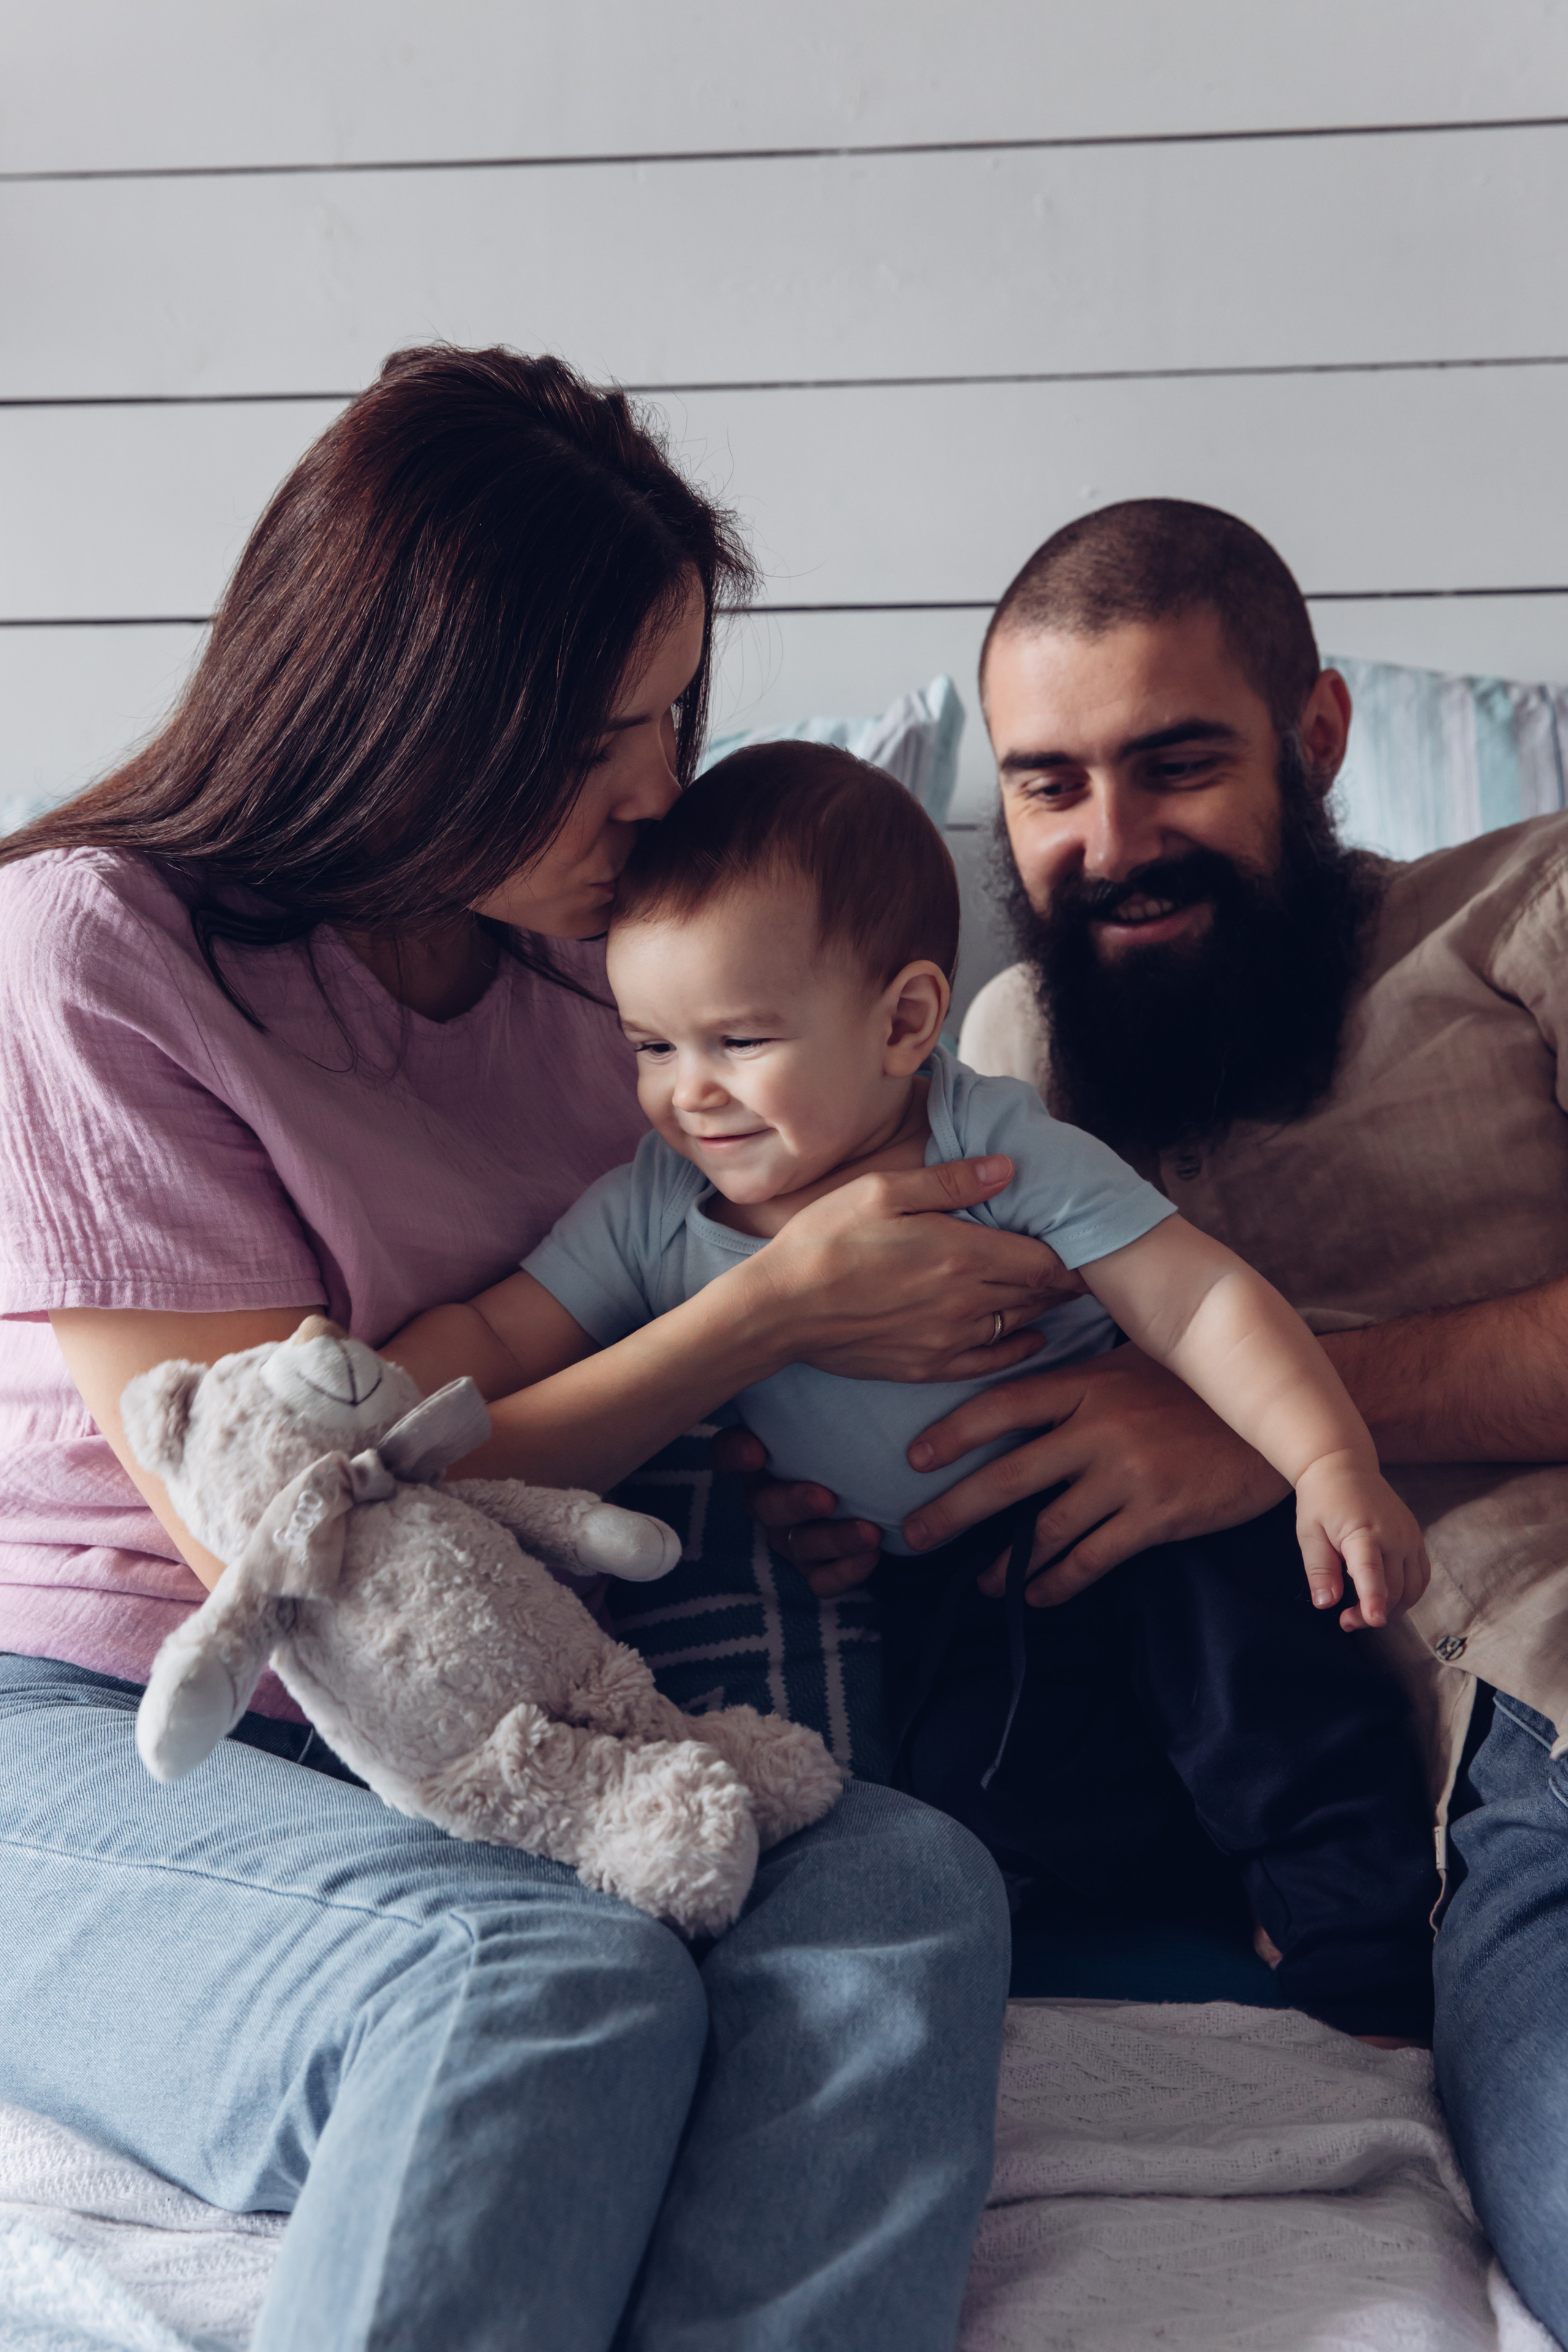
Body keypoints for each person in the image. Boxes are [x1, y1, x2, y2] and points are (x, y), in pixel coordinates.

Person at [0, 344, 1057, 2352]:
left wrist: (787, 1443)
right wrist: (771, 1311)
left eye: (671, 711)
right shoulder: (88, 953)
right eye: (590, 735)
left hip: (521, 1694)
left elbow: (627, 1354)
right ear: (406, 711)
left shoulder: (614, 974)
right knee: (534, 1986)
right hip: (117, 1710)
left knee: (894, 1897)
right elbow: (296, 1532)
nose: (658, 790)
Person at [742, 496, 1568, 2340]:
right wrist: (838, 1517)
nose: (1109, 845)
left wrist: (1268, 1426)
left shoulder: (1527, 910)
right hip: (1394, 1826)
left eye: (1174, 764)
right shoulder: (980, 1072)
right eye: (1046, 788)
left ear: (1318, 737)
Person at [394, 737, 1438, 2040]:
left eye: (738, 1039)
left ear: (902, 1020)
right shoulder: (654, 1212)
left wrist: (1325, 1461)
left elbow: (1195, 1294)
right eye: (651, 1046)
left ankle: (1367, 1955)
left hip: (1147, 1526)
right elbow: (502, 1328)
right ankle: (1216, 1920)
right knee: (984, 1783)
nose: (687, 1094)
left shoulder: (987, 1145)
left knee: (1263, 1710)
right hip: (945, 1580)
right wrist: (355, 1385)